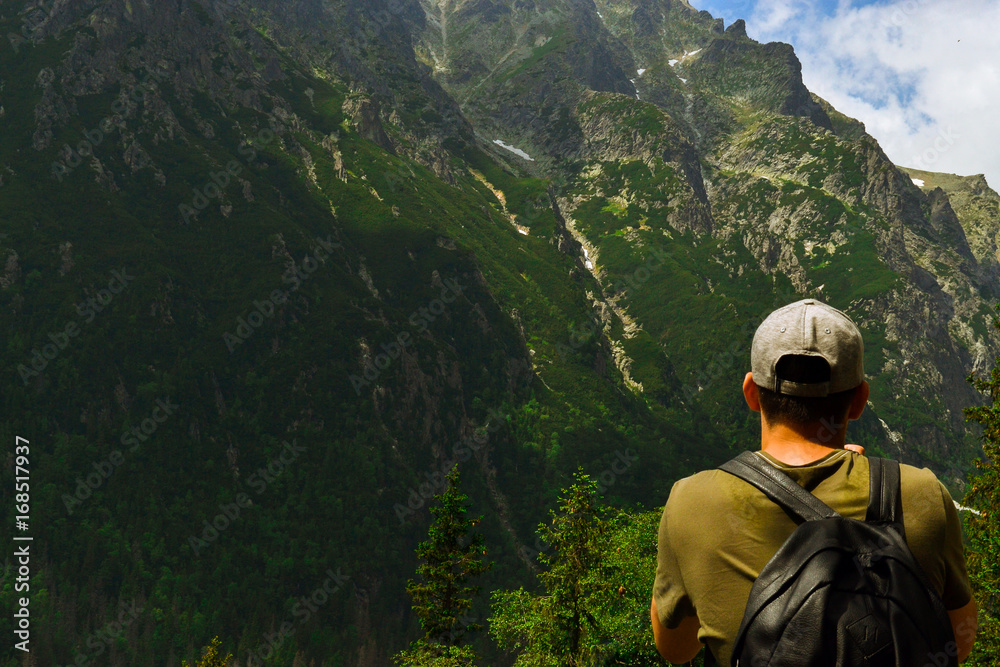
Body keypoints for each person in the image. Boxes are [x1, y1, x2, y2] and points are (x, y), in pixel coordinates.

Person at [650, 298, 978, 665]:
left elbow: (674, 649)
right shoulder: (920, 494)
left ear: (751, 393)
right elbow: (956, 644)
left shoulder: (692, 502)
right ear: (859, 401)